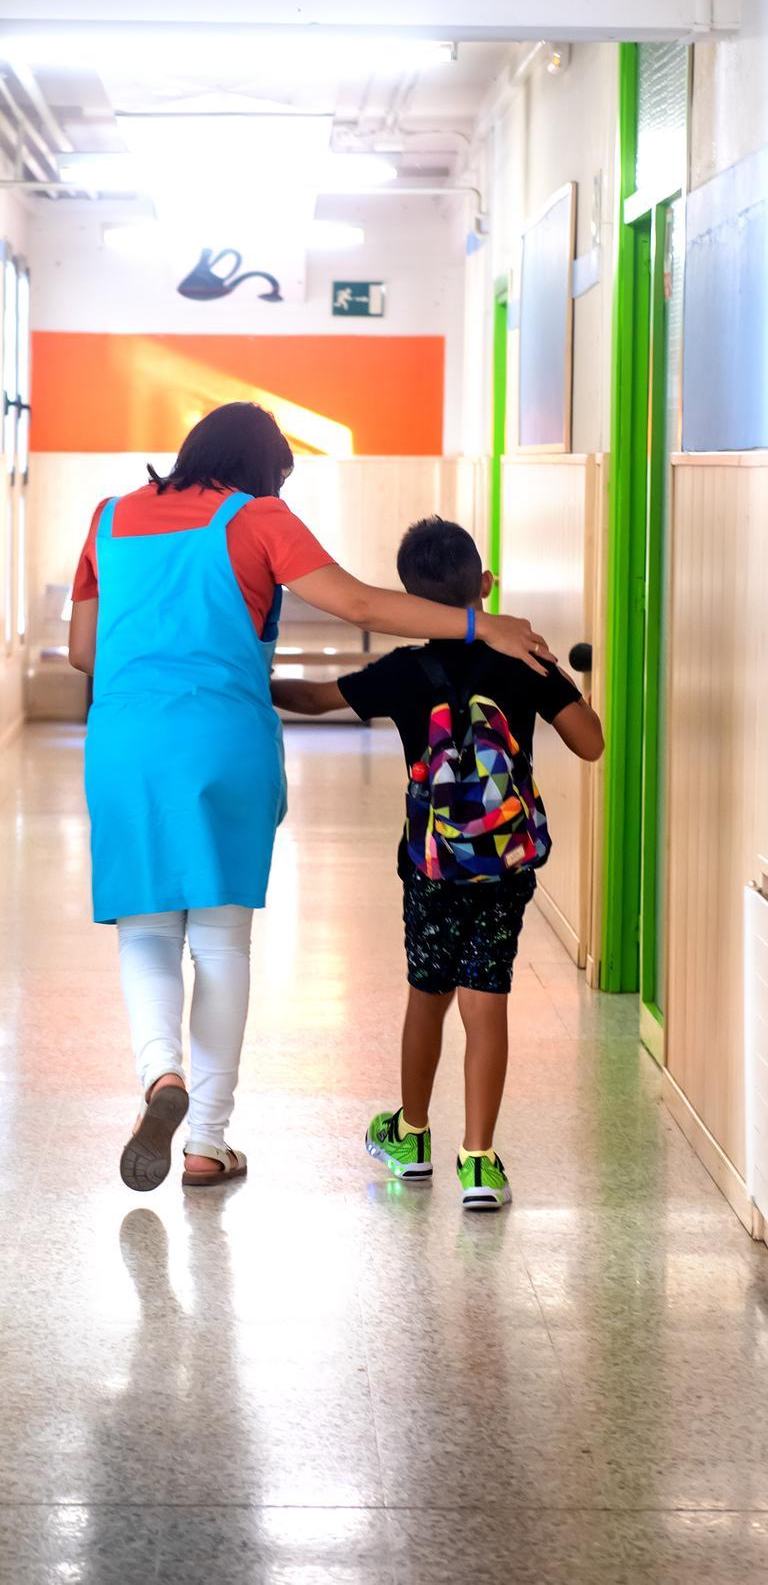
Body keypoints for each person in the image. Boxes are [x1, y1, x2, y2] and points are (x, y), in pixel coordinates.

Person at [68, 408, 558, 1194]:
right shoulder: (258, 516)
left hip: (125, 744)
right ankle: (206, 1143)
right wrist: (480, 624)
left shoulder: (109, 516)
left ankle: (161, 1077)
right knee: (221, 944)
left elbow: (83, 651)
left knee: (147, 932)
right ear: (266, 469)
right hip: (223, 738)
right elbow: (359, 605)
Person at [271, 516, 604, 1210]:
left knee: (428, 996)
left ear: (411, 599)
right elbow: (590, 743)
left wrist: (246, 674)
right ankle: (479, 1163)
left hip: (431, 868)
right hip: (506, 867)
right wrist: (565, 684)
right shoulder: (526, 661)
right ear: (486, 586)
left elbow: (310, 699)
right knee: (488, 1002)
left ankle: (412, 1136)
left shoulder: (401, 672)